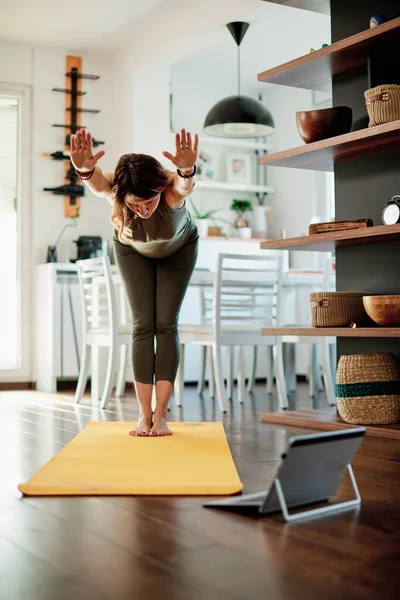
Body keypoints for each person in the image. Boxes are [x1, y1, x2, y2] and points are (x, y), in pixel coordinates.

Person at [70, 128, 199, 437]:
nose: (142, 210)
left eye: (148, 202)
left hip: (179, 250)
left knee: (166, 323)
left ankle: (162, 415)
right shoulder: (117, 190)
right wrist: (85, 169)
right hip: (132, 251)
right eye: (135, 204)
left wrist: (186, 170)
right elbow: (100, 184)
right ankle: (144, 416)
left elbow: (183, 187)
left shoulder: (169, 190)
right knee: (142, 324)